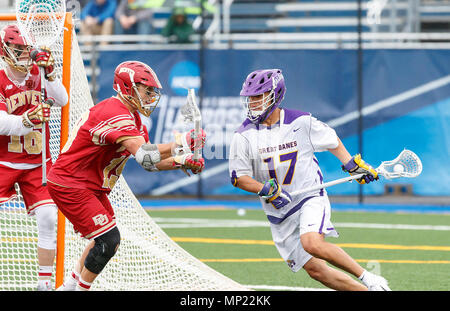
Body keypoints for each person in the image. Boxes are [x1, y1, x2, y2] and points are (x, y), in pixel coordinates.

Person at [47, 60, 206, 291]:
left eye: (152, 91)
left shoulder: (135, 120)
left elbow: (151, 162)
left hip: (87, 185)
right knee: (108, 240)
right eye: (147, 90)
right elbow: (144, 154)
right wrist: (181, 143)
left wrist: (182, 160)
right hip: (71, 183)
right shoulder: (114, 113)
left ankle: (68, 286)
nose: (151, 96)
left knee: (102, 238)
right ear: (127, 88)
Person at [228, 69, 391, 291]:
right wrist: (266, 189)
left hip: (309, 196)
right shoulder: (243, 135)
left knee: (312, 243)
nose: (253, 103)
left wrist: (350, 165)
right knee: (316, 271)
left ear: (276, 94)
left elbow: (332, 140)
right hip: (279, 210)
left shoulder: (301, 122)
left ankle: (369, 278)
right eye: (250, 98)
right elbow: (239, 177)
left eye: (259, 96)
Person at [0, 24, 69, 291]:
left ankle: (44, 284)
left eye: (26, 49)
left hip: (36, 163)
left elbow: (61, 100)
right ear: (4, 50)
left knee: (49, 217)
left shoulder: (38, 73)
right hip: (3, 161)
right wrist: (27, 120)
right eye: (18, 49)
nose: (24, 54)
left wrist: (50, 73)